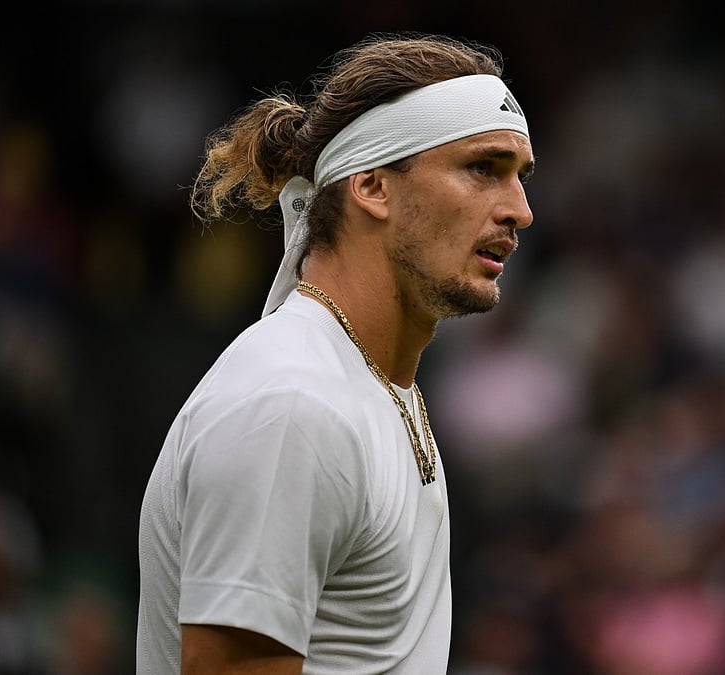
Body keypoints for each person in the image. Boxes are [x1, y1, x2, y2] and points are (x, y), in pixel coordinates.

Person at [136, 32, 535, 674]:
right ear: (372, 186)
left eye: (519, 177)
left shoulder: (370, 386)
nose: (520, 210)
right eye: (482, 168)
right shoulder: (294, 407)